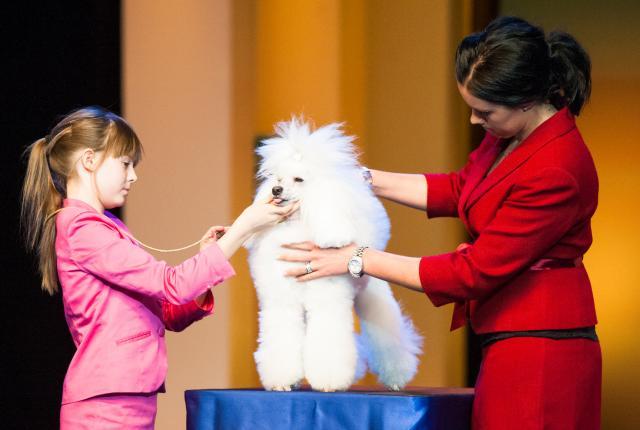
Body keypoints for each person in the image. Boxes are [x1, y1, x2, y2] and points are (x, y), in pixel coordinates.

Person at [280, 16, 600, 430]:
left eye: (483, 111)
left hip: (542, 349)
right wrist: (358, 178)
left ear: (525, 100)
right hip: (510, 336)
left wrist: (356, 258)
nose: (474, 120)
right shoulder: (512, 130)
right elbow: (463, 189)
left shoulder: (557, 169)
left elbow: (471, 272)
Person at [21, 106, 297, 429]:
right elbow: (173, 284)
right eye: (125, 164)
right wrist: (245, 227)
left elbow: (169, 310)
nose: (133, 176)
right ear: (89, 160)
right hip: (105, 409)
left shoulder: (104, 226)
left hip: (131, 400)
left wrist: (205, 272)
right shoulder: (82, 229)